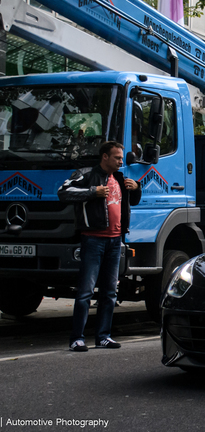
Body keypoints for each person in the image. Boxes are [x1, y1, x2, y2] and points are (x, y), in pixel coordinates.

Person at [58, 141, 141, 352]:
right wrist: (92, 192)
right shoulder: (87, 174)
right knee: (86, 292)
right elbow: (63, 191)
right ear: (105, 157)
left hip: (115, 241)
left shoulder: (120, 179)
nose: (121, 161)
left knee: (110, 292)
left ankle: (103, 336)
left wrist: (137, 188)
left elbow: (132, 203)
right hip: (93, 239)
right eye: (117, 157)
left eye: (121, 158)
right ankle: (77, 338)